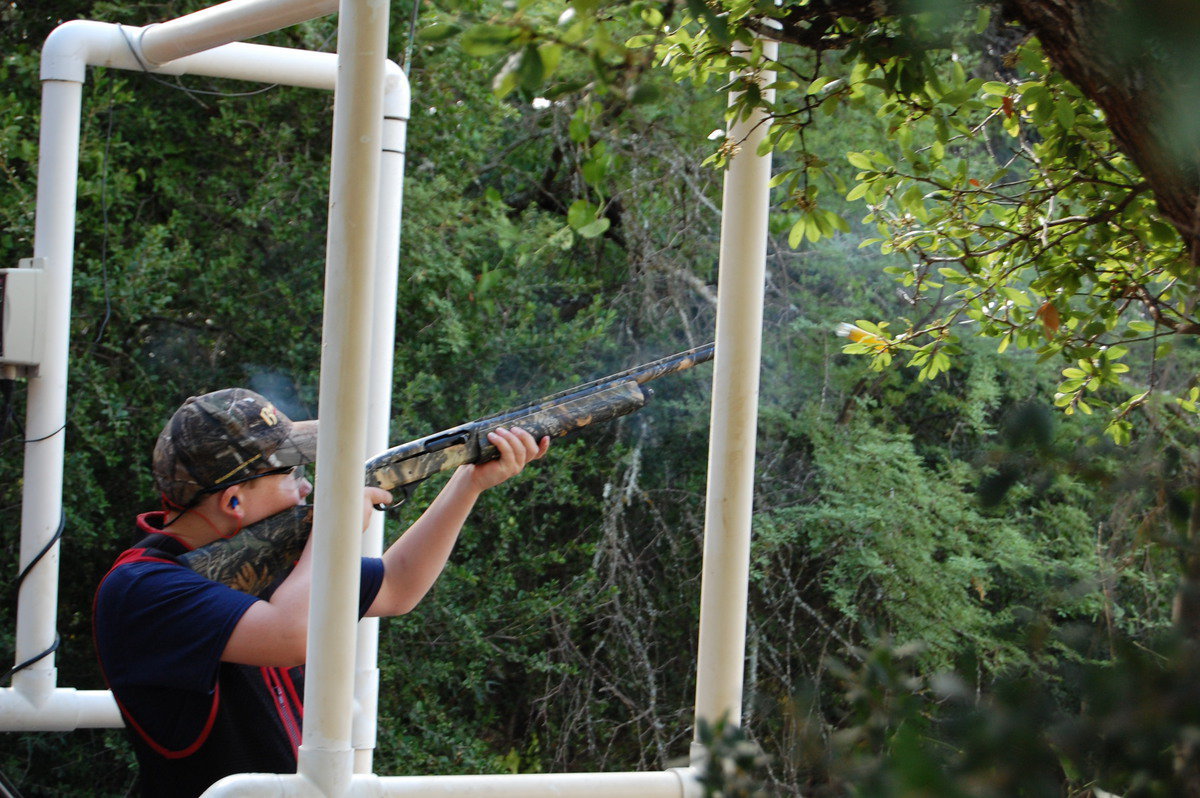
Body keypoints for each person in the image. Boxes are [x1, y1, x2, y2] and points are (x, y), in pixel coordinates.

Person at [93, 388, 548, 797]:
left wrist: (469, 483)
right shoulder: (143, 590)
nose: (308, 487)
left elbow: (398, 586)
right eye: (292, 473)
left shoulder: (261, 565)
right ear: (235, 501)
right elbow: (294, 637)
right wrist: (334, 530)